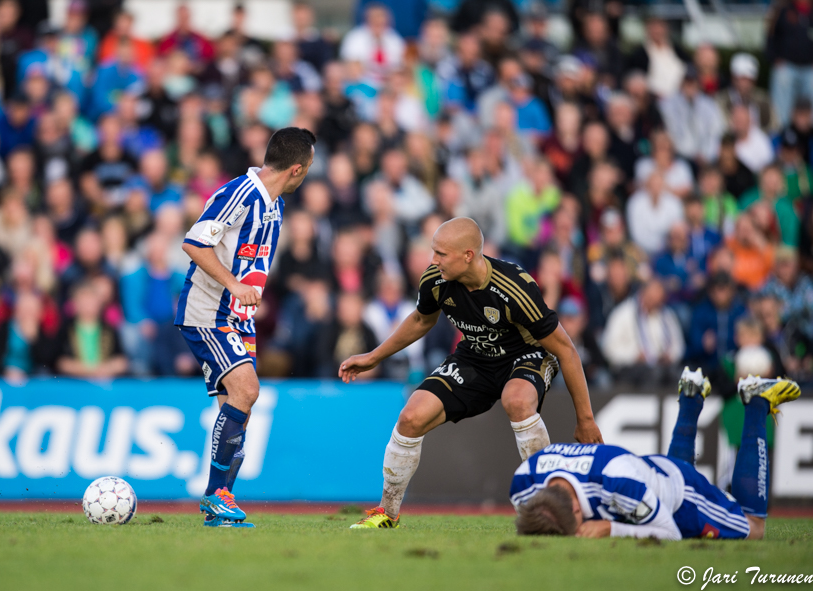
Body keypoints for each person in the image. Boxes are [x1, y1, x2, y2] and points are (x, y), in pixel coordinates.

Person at [339, 217, 604, 529]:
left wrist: (585, 419)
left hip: (526, 355)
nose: (432, 260)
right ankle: (387, 513)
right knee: (410, 417)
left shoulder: (514, 287)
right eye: (433, 252)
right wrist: (373, 356)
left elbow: (566, 349)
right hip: (475, 357)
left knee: (517, 401)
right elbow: (422, 320)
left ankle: (546, 510)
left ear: (468, 255)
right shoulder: (435, 279)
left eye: (441, 254)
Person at [176, 127, 316, 528]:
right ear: (296, 169)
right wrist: (234, 284)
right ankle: (214, 497)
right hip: (208, 313)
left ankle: (221, 504)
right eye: (307, 167)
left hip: (239, 318)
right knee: (247, 390)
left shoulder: (276, 205)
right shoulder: (239, 194)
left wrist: (249, 288)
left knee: (239, 408)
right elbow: (194, 242)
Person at [512, 368, 802, 540]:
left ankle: (756, 403)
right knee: (653, 481)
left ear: (578, 509)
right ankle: (690, 396)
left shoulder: (616, 482)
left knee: (755, 529)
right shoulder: (524, 483)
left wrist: (611, 528)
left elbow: (670, 531)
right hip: (644, 474)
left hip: (680, 494)